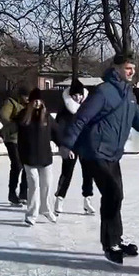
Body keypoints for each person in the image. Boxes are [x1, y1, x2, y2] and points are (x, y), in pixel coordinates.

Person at [59, 51, 139, 265]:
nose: (132, 72)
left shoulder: (129, 94)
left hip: (112, 154)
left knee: (116, 195)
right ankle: (109, 243)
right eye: (128, 68)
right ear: (117, 68)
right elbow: (81, 118)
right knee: (112, 193)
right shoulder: (103, 92)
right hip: (94, 152)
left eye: (133, 68)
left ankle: (116, 240)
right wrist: (66, 144)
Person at [13, 88, 62, 226]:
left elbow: (57, 133)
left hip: (45, 157)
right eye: (35, 100)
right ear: (30, 101)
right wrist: (0, 134)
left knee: (46, 185)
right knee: (33, 185)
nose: (37, 103)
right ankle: (31, 214)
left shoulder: (47, 117)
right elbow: (10, 128)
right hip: (28, 158)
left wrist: (64, 146)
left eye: (39, 100)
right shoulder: (23, 116)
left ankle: (45, 209)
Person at [53, 79, 95, 215]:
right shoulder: (65, 110)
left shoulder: (88, 107)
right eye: (75, 95)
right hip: (70, 146)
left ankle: (87, 200)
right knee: (67, 172)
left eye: (80, 95)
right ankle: (59, 198)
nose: (78, 98)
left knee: (88, 173)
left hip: (85, 145)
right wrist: (64, 146)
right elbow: (58, 128)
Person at [0, 86, 30, 206]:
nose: (27, 99)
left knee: (28, 165)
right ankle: (12, 193)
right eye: (25, 96)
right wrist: (13, 127)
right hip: (12, 139)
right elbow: (3, 116)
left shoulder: (31, 105)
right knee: (17, 165)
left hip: (26, 139)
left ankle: (23, 193)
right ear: (20, 95)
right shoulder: (11, 103)